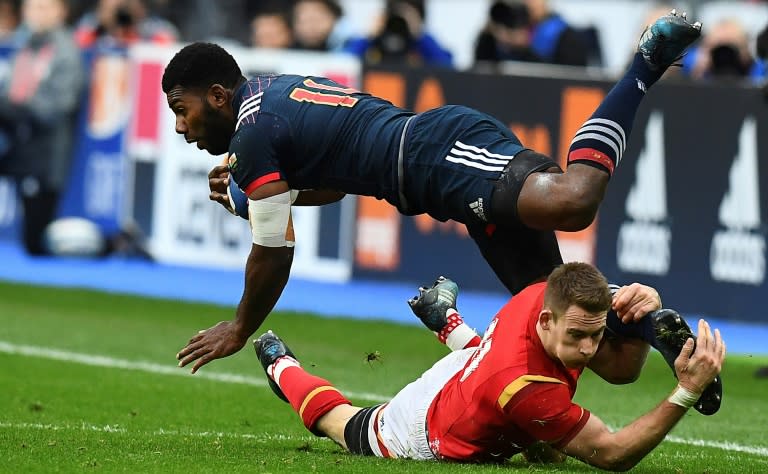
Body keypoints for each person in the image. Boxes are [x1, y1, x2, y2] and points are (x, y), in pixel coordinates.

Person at [162, 11, 703, 377]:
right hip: (437, 182)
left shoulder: (252, 133)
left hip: (435, 150)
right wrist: (253, 200)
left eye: (182, 111)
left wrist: (240, 327)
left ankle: (644, 65)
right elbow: (330, 188)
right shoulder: (268, 94)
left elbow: (275, 251)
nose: (182, 128)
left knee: (573, 200)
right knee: (601, 355)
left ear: (216, 96)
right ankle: (650, 322)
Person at [252, 262, 726, 469]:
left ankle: (447, 321)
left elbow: (621, 369)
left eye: (597, 334)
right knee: (342, 424)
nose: (587, 349)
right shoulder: (526, 385)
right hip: (420, 429)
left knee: (542, 436)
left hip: (478, 372)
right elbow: (615, 454)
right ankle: (279, 362)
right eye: (577, 336)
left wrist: (639, 306)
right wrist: (685, 391)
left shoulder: (553, 294)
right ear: (546, 320)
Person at [0, 0, 85, 255]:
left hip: (46, 155)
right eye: (34, 6)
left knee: (36, 243)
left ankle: (110, 246)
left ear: (62, 11)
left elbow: (56, 107)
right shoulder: (24, 46)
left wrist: (13, 107)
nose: (39, 13)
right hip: (17, 146)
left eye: (46, 7)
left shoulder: (66, 51)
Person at [342, 0, 452, 67]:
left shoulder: (422, 42)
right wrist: (368, 37)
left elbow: (448, 69)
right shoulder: (375, 38)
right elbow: (342, 65)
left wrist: (419, 35)